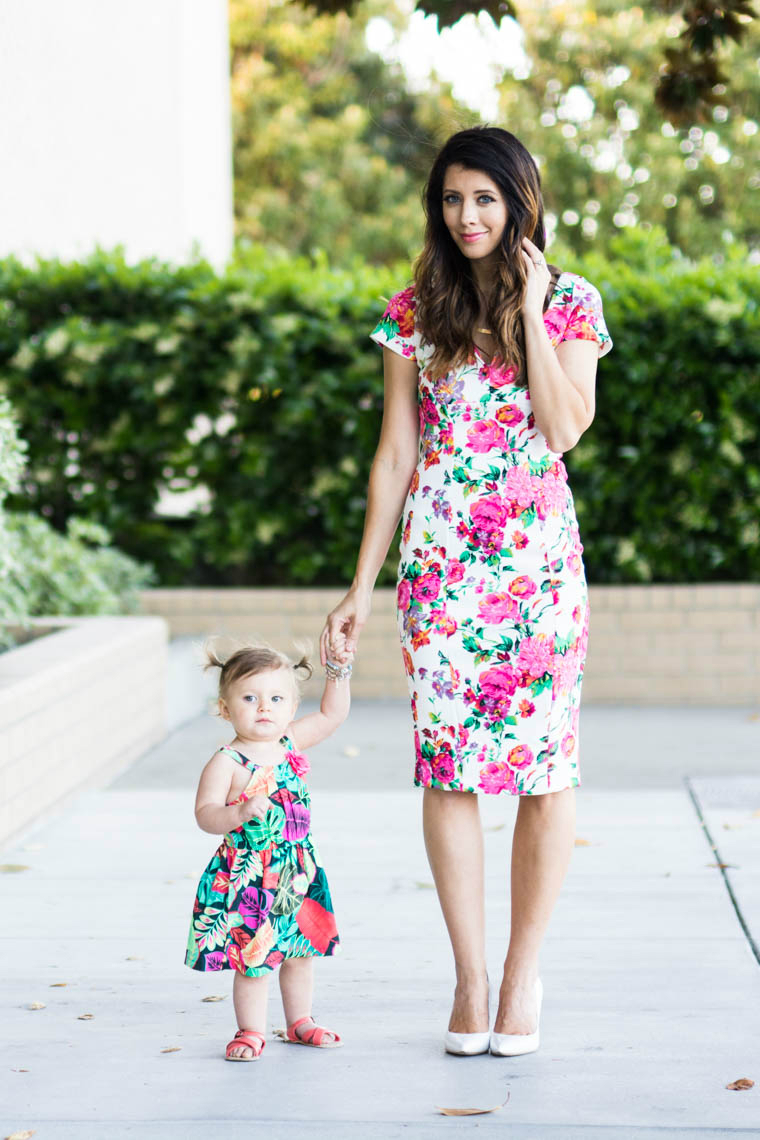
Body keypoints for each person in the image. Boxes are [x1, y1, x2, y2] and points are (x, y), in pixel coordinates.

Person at [321, 126, 612, 1057]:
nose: (467, 216)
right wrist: (361, 585)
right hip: (442, 572)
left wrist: (528, 309)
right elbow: (395, 453)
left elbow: (564, 431)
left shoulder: (571, 302)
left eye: (484, 198)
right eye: (452, 199)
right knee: (448, 769)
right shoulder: (414, 310)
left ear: (519, 201)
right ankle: (471, 976)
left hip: (537, 571)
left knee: (544, 769)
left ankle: (524, 975)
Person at [185, 642, 353, 1061]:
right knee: (253, 961)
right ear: (225, 709)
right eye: (249, 698)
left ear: (293, 706)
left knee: (299, 953)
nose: (264, 708)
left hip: (297, 872)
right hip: (249, 876)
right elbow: (205, 815)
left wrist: (338, 671)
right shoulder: (227, 762)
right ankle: (250, 1031)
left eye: (276, 698)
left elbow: (333, 715)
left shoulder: (291, 741)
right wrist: (237, 812)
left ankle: (300, 1021)